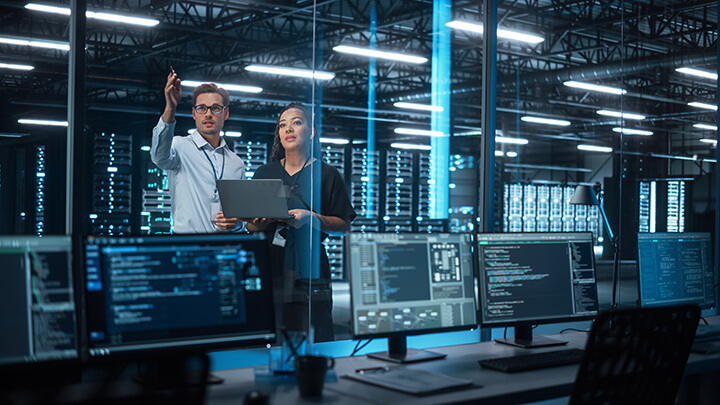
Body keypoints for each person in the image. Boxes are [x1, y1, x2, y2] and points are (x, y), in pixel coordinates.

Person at [216, 102, 356, 342]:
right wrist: (255, 226)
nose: (288, 129)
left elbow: (343, 225)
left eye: (296, 122)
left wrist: (312, 219)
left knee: (315, 333)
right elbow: (251, 225)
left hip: (310, 266)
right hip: (271, 263)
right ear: (278, 134)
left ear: (311, 131)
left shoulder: (327, 174)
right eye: (283, 125)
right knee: (270, 332)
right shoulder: (264, 173)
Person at [150, 70, 246, 233]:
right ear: (194, 113)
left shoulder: (236, 163)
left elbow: (244, 214)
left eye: (215, 108)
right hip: (189, 246)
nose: (208, 114)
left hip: (225, 248)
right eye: (202, 108)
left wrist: (238, 224)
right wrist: (171, 107)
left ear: (226, 113)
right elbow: (159, 157)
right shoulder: (179, 147)